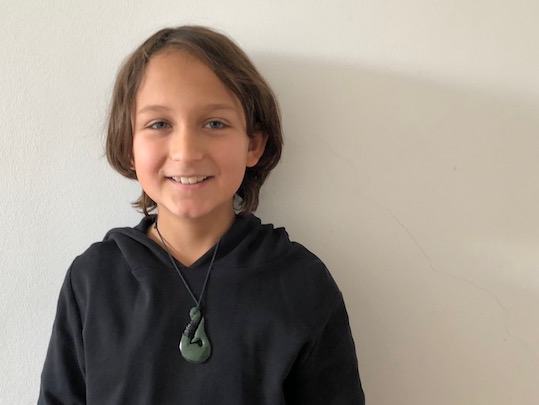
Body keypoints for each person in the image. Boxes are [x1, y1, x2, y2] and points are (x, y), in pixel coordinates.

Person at [38, 25, 364, 404]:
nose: (186, 151)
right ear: (129, 146)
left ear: (253, 145)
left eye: (214, 123)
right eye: (159, 124)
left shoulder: (302, 283)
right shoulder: (93, 280)